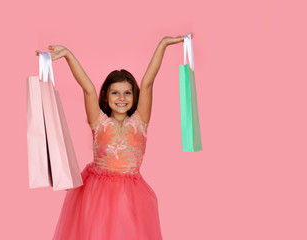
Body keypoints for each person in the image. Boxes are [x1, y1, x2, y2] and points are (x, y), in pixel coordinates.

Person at [35, 33, 194, 240]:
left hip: (131, 196)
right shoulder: (98, 122)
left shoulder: (140, 121)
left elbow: (147, 83)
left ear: (134, 96)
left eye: (127, 93)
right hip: (96, 194)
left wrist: (163, 44)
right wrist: (68, 55)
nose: (121, 98)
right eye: (115, 93)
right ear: (106, 96)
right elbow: (88, 89)